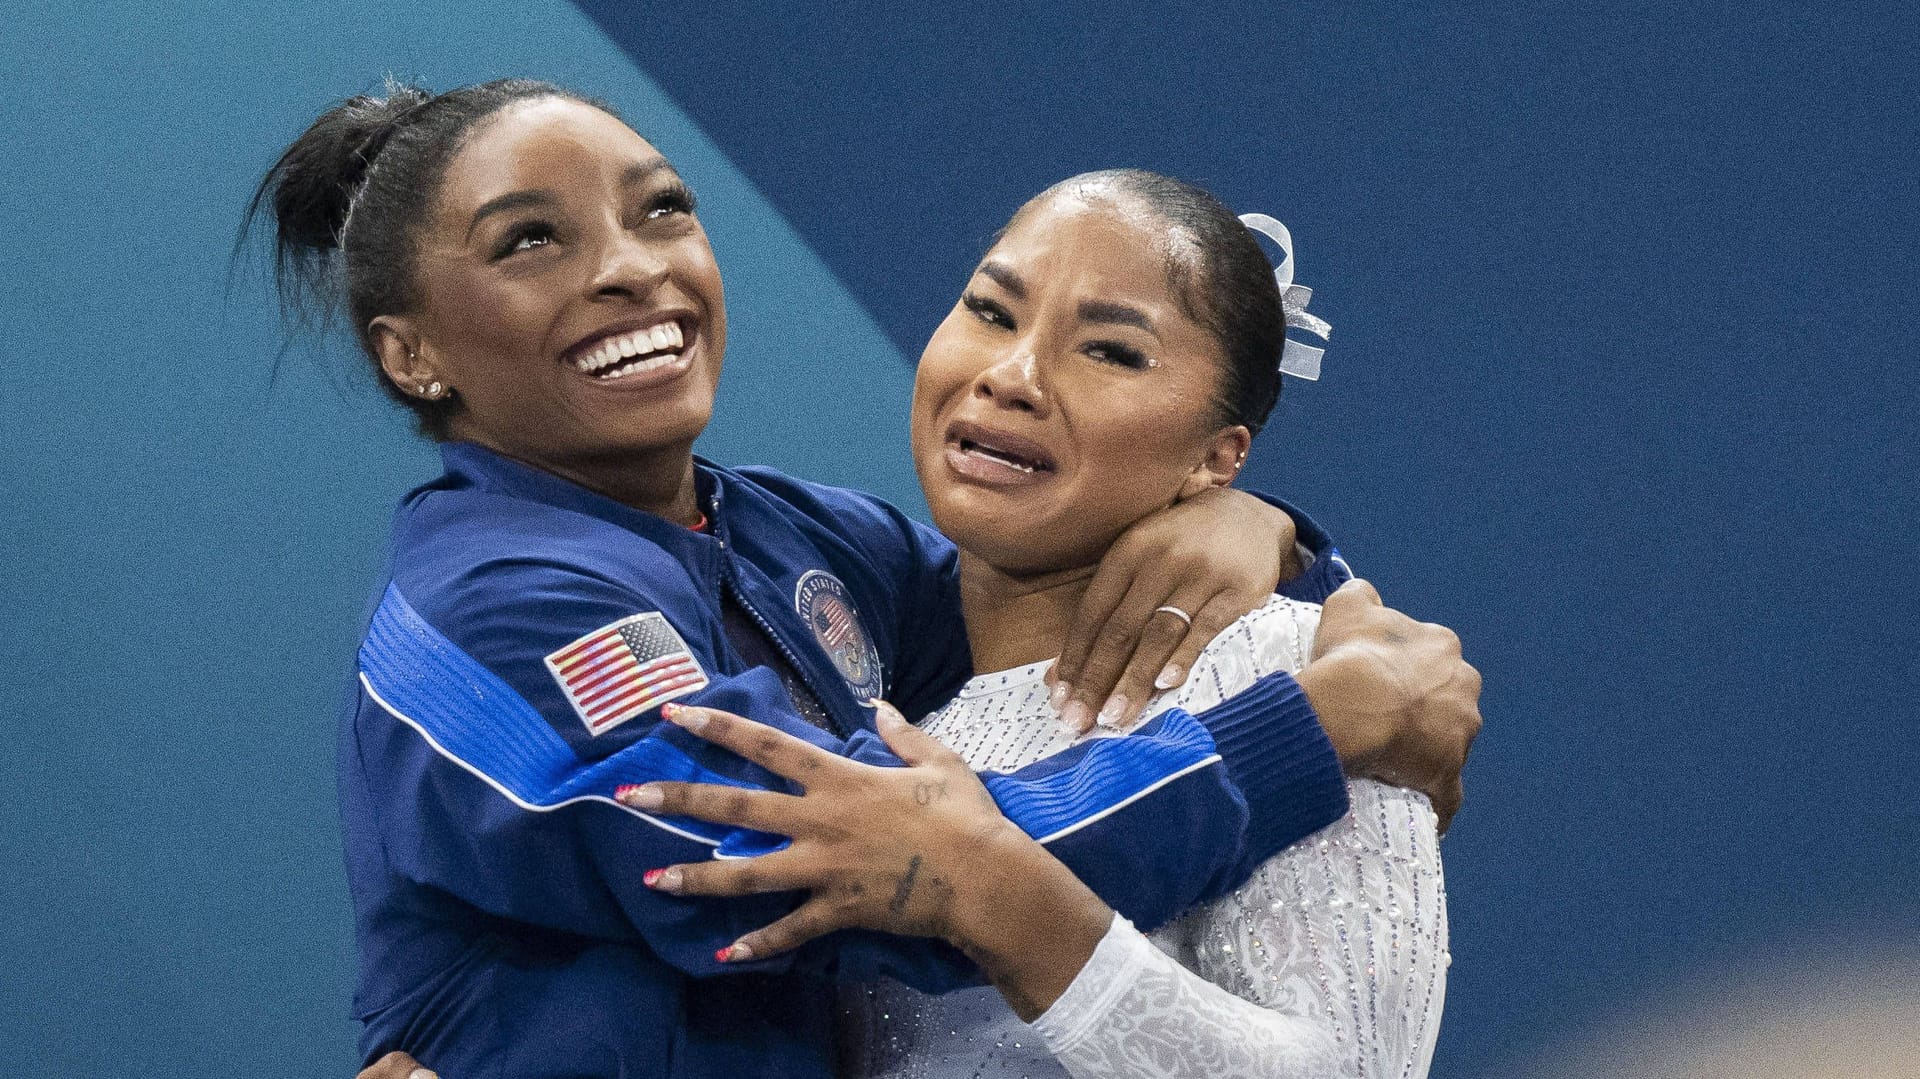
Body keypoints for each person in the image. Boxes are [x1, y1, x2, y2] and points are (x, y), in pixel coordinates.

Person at [247, 78, 1478, 1077]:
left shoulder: (798, 538)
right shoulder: (493, 607)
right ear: (412, 354)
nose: (630, 269)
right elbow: (861, 867)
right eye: (530, 241)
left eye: (663, 209)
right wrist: (1303, 733)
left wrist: (1260, 531)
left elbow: (1036, 612)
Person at [626, 171, 1460, 1077]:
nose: (1013, 376)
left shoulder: (1296, 678)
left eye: (1110, 352)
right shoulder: (887, 689)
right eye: (990, 311)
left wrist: (1007, 905)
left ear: (1218, 455)